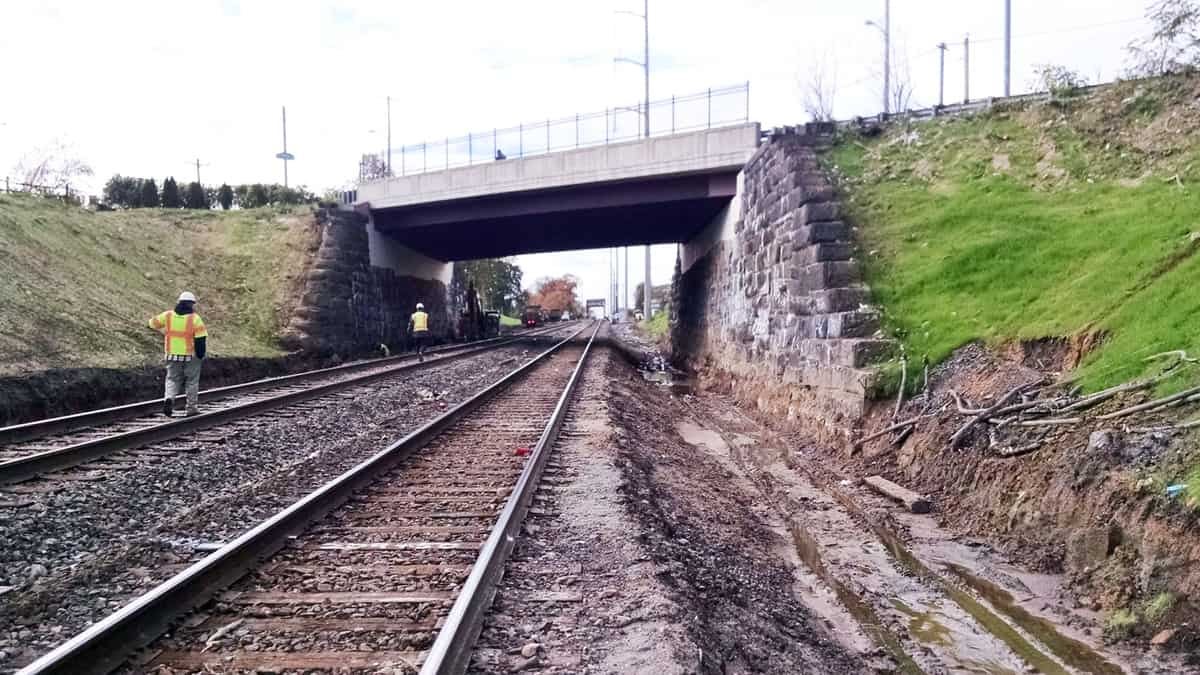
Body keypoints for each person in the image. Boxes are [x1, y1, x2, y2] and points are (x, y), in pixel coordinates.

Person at [148, 291, 208, 416]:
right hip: (191, 356)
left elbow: (152, 324)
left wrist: (158, 326)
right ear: (192, 304)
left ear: (179, 302)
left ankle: (169, 398)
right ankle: (191, 408)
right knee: (191, 381)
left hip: (171, 354)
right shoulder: (195, 319)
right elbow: (200, 340)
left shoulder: (168, 315)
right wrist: (201, 355)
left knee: (172, 379)